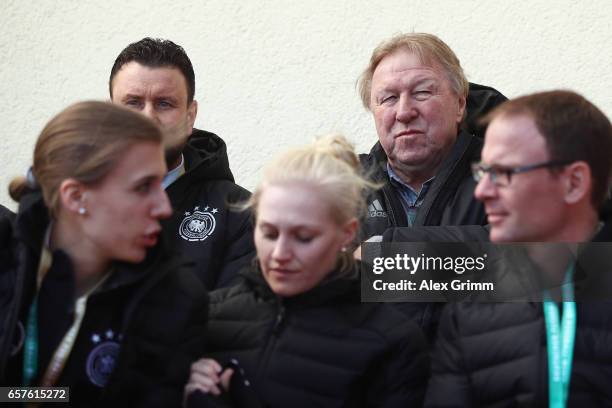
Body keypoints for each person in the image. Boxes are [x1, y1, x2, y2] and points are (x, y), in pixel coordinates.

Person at [184, 136, 429, 407]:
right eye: (269, 233)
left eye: (303, 237)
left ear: (346, 235)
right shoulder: (209, 315)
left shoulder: (393, 342)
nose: (279, 254)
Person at [0, 101, 208, 407]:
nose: (165, 208)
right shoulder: (6, 257)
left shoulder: (175, 300)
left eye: (160, 183)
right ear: (76, 197)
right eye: (143, 187)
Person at [425, 90, 612, 407]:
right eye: (483, 172)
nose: (482, 192)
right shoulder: (468, 310)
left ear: (574, 182)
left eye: (504, 173)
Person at [109, 37, 254, 289]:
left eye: (164, 103)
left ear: (190, 116)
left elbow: (236, 319)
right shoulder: (74, 206)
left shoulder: (241, 215)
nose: (148, 118)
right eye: (133, 103)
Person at [357, 33, 506, 236]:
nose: (404, 112)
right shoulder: (342, 186)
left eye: (422, 92)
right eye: (389, 98)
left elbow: (526, 250)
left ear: (460, 105)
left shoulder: (508, 176)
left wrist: (381, 251)